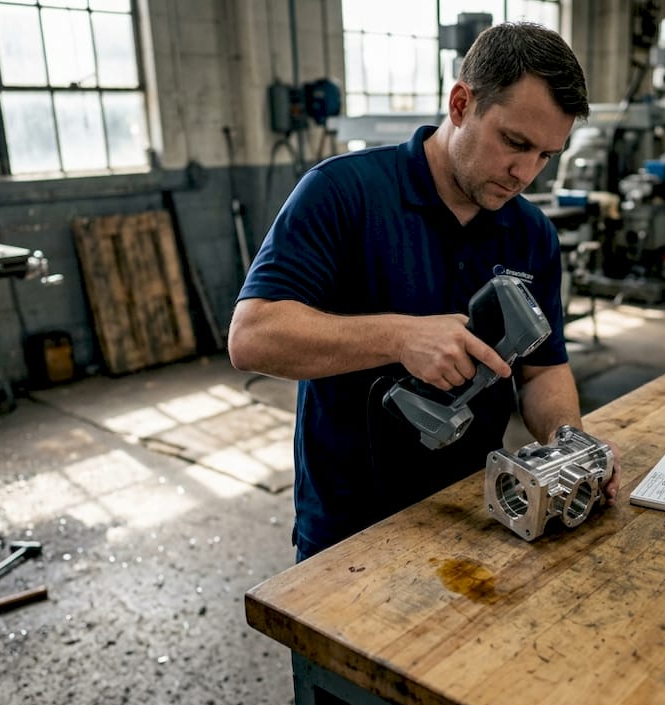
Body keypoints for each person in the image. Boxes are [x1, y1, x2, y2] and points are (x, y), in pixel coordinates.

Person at [228, 22, 620, 562]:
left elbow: (542, 370)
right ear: (461, 104)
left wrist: (568, 442)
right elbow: (252, 337)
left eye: (545, 155)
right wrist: (400, 338)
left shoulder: (531, 234)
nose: (525, 173)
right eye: (515, 143)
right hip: (348, 526)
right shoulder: (343, 193)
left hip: (475, 513)